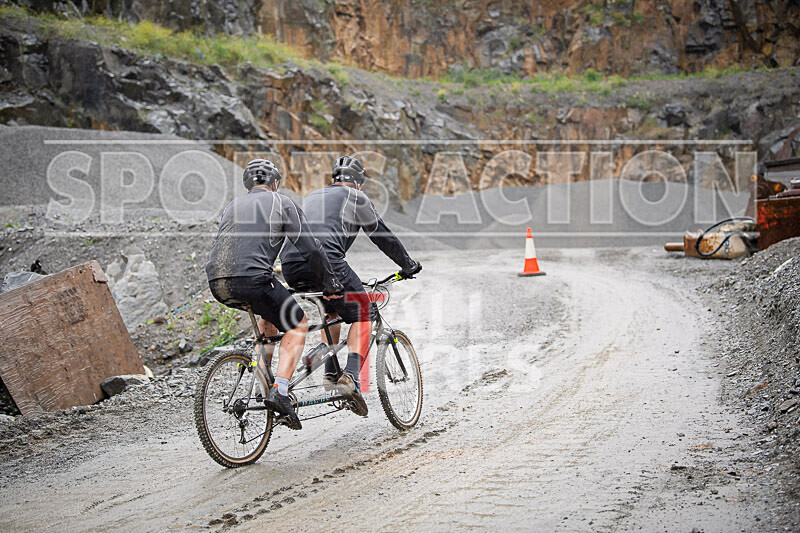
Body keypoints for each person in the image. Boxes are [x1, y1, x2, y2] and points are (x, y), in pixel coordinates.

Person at [205, 159, 343, 430]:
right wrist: (331, 283)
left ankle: (262, 381)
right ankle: (279, 391)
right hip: (254, 279)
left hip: (218, 281)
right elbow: (310, 249)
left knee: (267, 318)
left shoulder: (232, 206)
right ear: (275, 183)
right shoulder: (282, 202)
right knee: (298, 323)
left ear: (249, 185)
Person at [281, 156, 422, 417]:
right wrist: (407, 264)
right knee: (364, 312)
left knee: (332, 309)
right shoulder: (356, 197)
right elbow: (381, 234)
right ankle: (351, 378)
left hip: (291, 265)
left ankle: (330, 373)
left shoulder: (313, 196)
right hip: (326, 262)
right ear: (358, 183)